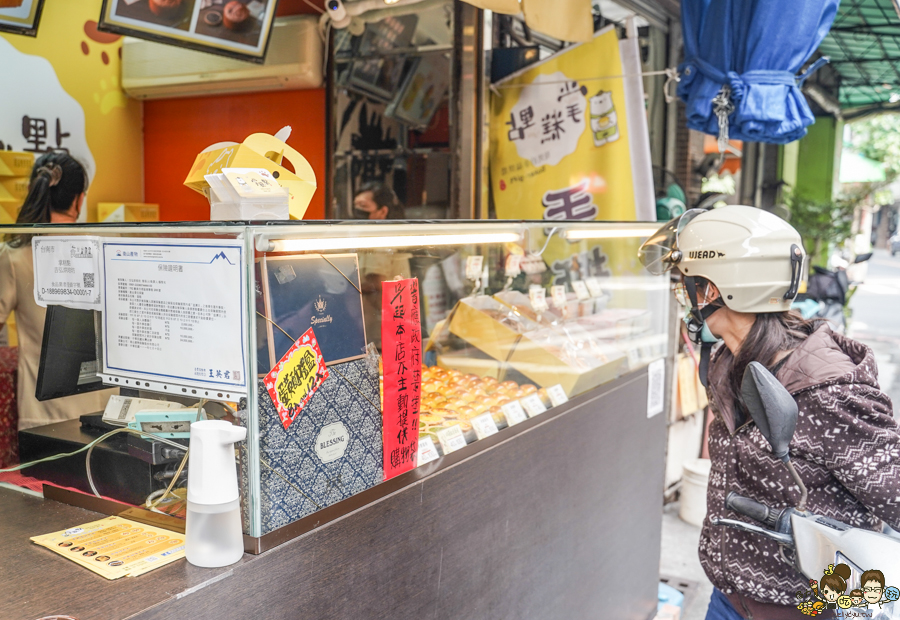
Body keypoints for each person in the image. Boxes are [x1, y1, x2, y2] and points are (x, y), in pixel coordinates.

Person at [639, 205, 900, 620]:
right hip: (729, 597)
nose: (683, 295)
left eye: (686, 283)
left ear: (711, 291)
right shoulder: (728, 361)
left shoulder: (830, 391)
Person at [0, 152, 112, 430]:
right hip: (106, 407)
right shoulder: (106, 246)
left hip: (44, 413)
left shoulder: (14, 256)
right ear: (79, 199)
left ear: (34, 191)